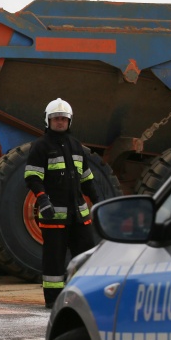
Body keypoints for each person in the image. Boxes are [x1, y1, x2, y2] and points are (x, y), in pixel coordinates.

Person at [24, 98, 101, 308]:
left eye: (63, 119)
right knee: (54, 261)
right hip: (54, 217)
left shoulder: (77, 147)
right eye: (56, 118)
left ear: (70, 121)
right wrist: (43, 200)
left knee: (85, 257)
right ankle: (53, 301)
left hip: (79, 216)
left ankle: (85, 295)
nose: (60, 122)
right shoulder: (40, 146)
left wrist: (98, 202)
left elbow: (87, 179)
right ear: (48, 121)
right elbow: (32, 177)